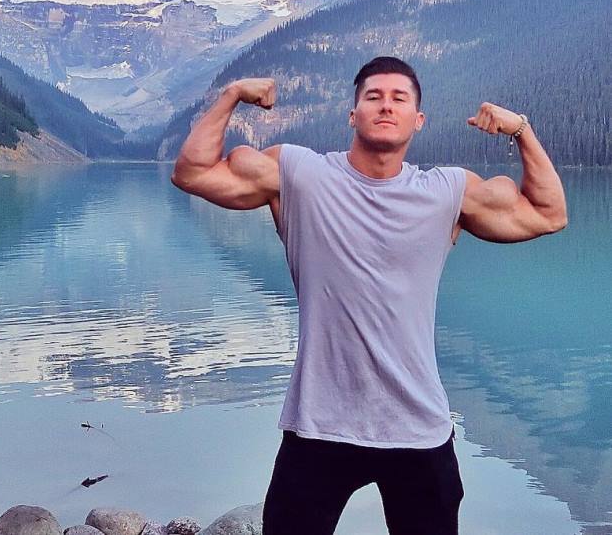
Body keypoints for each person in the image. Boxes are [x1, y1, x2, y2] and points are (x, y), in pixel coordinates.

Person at [170, 56, 568, 535]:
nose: (386, 106)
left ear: (418, 121)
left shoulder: (447, 192)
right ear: (352, 114)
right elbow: (192, 172)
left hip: (417, 427)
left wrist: (521, 131)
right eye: (373, 96)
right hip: (319, 424)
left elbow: (548, 214)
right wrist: (232, 93)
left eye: (399, 99)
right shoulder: (300, 175)